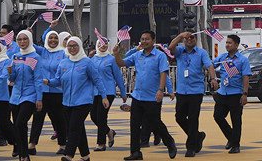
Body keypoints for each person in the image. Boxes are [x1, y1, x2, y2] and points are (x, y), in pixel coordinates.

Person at [113, 30, 177, 160]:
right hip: (137, 96)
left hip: (153, 97)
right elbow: (121, 63)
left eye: (147, 39)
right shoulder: (137, 55)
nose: (144, 41)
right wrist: (115, 54)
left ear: (153, 41)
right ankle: (135, 152)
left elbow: (164, 73)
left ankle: (169, 142)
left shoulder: (160, 56)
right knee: (134, 125)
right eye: (142, 39)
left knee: (156, 123)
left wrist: (161, 90)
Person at [44, 36, 109, 161]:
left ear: (80, 47)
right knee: (78, 128)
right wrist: (47, 81)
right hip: (67, 101)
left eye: (75, 46)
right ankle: (85, 156)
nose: (72, 48)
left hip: (83, 101)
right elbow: (58, 80)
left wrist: (104, 96)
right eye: (69, 46)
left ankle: (68, 155)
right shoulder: (63, 63)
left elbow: (97, 80)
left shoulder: (87, 62)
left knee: (73, 128)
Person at [169, 31, 218, 157]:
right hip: (181, 90)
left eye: (192, 37)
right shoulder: (180, 51)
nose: (189, 40)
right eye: (187, 38)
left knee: (193, 118)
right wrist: (180, 35)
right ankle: (197, 136)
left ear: (196, 39)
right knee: (179, 117)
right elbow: (170, 47)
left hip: (196, 91)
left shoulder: (201, 52)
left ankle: (190, 147)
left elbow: (209, 66)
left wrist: (213, 78)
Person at [30, 23, 68, 155]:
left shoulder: (63, 53)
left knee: (59, 119)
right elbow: (30, 44)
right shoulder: (43, 51)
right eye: (50, 38)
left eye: (55, 38)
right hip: (43, 92)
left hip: (58, 92)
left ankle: (63, 145)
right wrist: (49, 28)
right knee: (38, 117)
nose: (53, 40)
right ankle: (32, 144)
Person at [8, 30, 44, 161]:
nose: (22, 42)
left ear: (30, 40)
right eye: (19, 40)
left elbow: (38, 79)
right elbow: (13, 79)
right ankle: (23, 155)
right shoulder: (16, 56)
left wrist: (39, 98)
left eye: (25, 39)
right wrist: (10, 73)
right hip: (16, 96)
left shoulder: (35, 57)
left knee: (20, 123)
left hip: (30, 95)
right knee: (18, 127)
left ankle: (24, 153)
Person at [212, 34, 251, 154]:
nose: (227, 45)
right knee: (218, 116)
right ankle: (231, 138)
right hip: (223, 93)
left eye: (230, 43)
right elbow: (210, 65)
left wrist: (245, 94)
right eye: (226, 43)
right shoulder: (223, 57)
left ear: (236, 45)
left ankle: (236, 145)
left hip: (236, 93)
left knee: (236, 120)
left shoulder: (243, 60)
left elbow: (245, 77)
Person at [90, 37, 127, 151]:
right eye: (100, 43)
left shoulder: (111, 59)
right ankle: (109, 132)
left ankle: (101, 144)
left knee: (101, 117)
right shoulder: (92, 59)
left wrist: (123, 92)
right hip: (94, 92)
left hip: (108, 92)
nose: (103, 45)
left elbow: (118, 76)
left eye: (105, 43)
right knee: (93, 116)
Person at [0, 38, 18, 154]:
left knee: (4, 122)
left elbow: (4, 75)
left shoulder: (7, 61)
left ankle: (17, 143)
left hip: (1, 96)